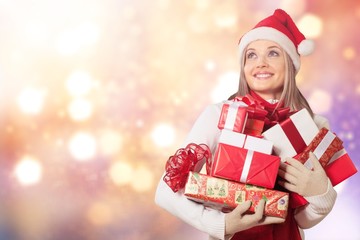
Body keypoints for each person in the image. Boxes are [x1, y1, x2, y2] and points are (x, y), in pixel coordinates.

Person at [155, 9, 337, 240]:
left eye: (273, 53)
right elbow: (165, 191)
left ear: (290, 63)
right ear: (243, 67)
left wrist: (322, 194)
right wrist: (221, 224)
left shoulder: (313, 125)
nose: (260, 63)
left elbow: (303, 218)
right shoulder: (219, 116)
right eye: (251, 55)